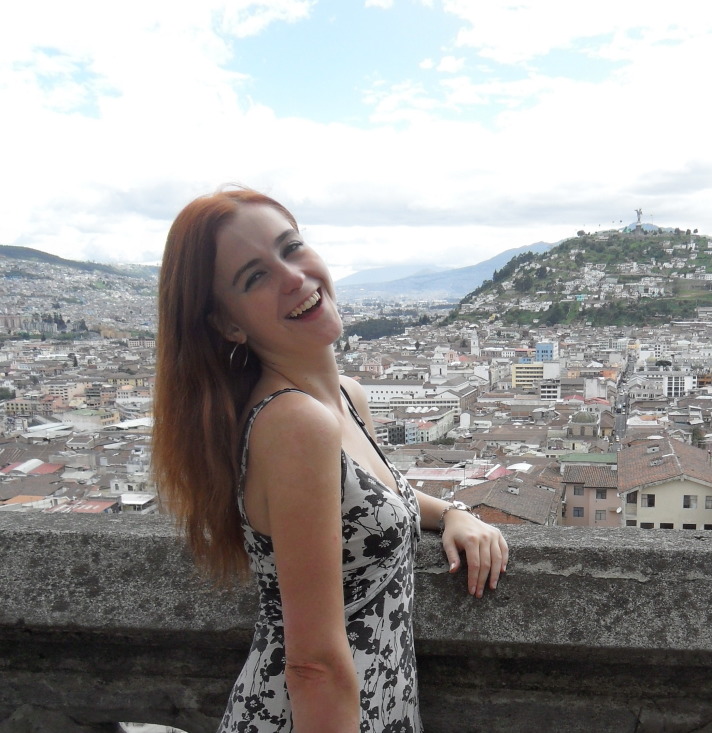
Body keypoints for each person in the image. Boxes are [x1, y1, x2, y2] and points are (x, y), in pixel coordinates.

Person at [152, 187, 509, 733]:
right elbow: (314, 665)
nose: (292, 276)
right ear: (228, 324)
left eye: (290, 247)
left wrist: (454, 513)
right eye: (255, 277)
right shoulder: (296, 425)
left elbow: (367, 504)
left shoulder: (343, 398)